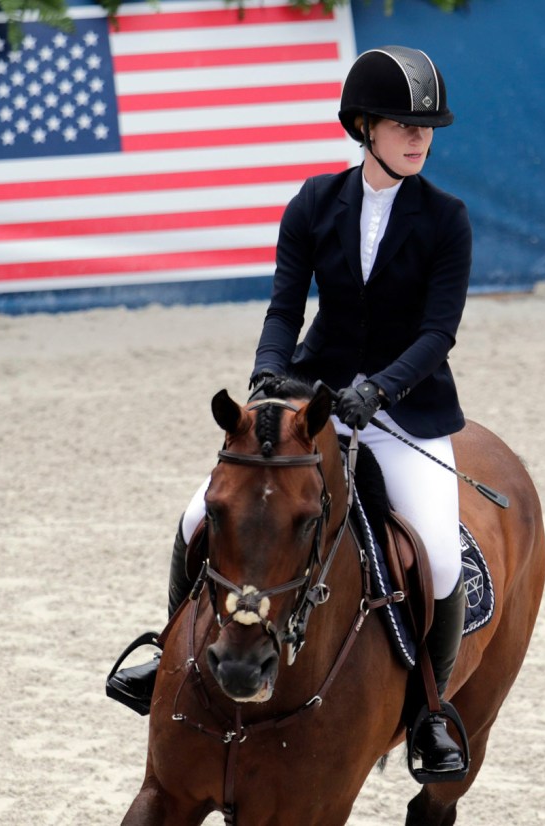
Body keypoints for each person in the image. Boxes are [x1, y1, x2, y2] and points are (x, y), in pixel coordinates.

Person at [107, 45, 471, 781]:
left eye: (426, 128)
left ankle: (430, 711)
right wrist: (269, 373)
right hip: (310, 403)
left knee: (434, 550)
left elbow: (439, 333)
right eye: (404, 125)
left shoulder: (446, 219)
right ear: (364, 126)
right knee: (194, 519)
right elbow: (284, 306)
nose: (419, 139)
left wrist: (380, 389)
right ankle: (167, 658)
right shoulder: (313, 204)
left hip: (404, 411)